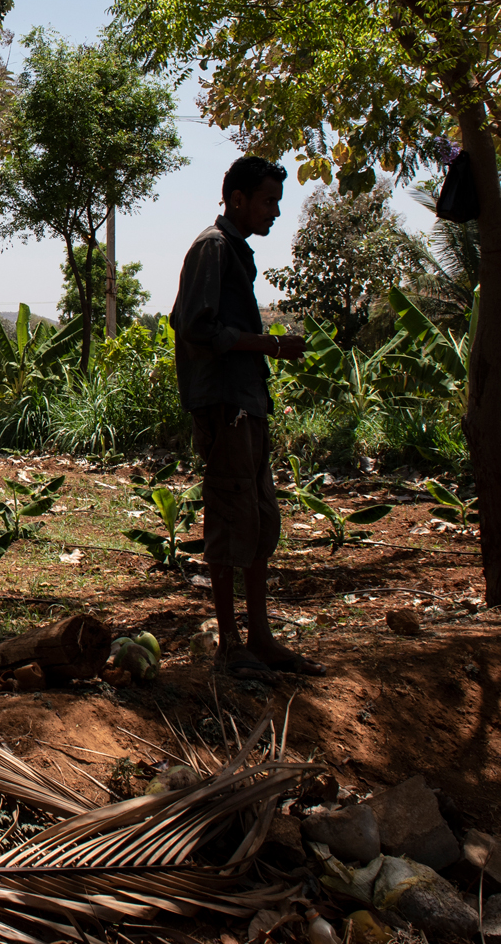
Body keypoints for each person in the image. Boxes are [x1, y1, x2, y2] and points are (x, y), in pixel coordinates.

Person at [170, 155, 325, 678]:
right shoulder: (212, 249)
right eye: (267, 201)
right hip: (225, 405)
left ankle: (260, 637)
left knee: (258, 518)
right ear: (238, 200)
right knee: (230, 514)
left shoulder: (234, 252)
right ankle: (230, 643)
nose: (274, 212)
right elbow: (193, 325)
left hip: (248, 403)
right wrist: (268, 344)